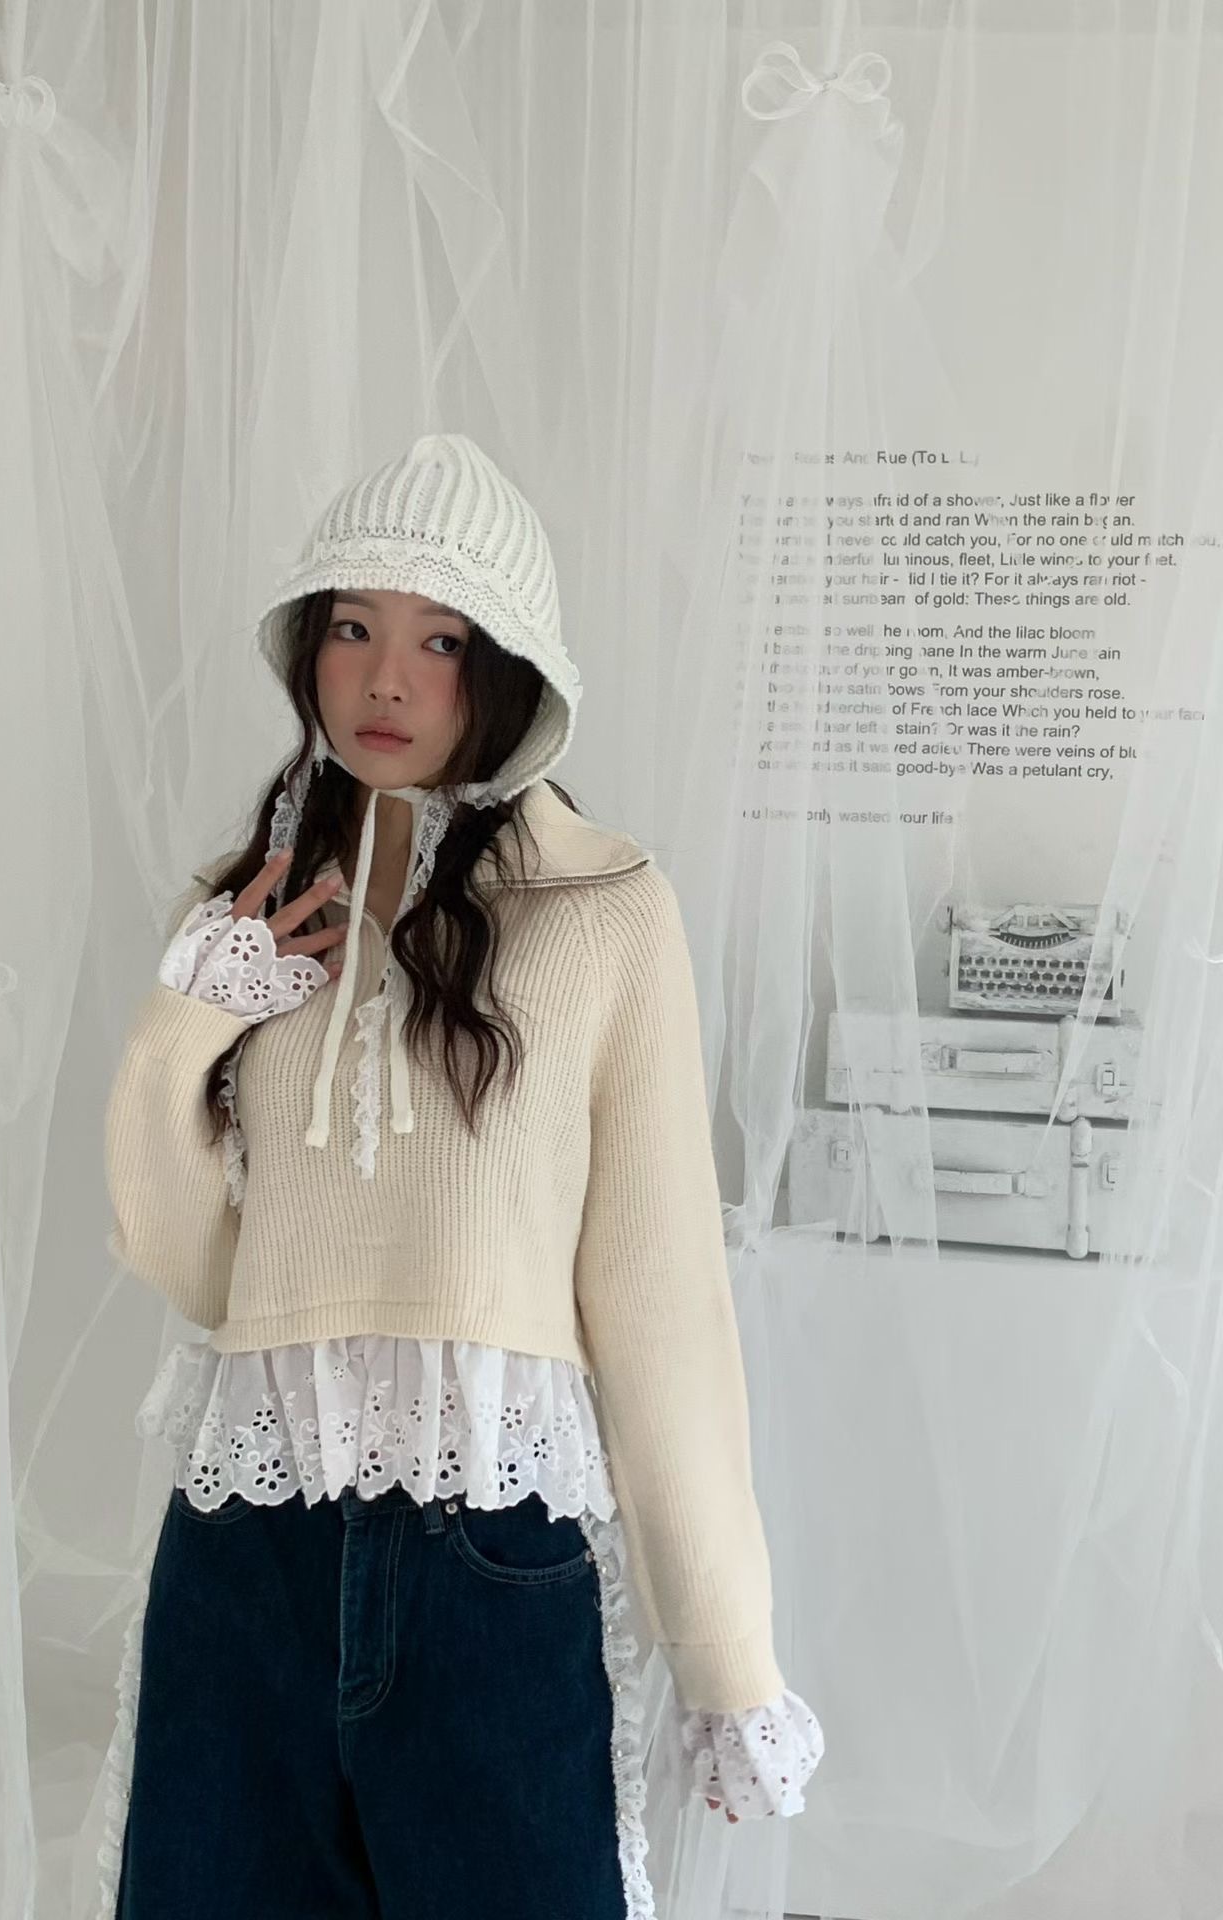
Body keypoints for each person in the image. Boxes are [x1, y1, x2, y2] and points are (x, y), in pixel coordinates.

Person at [98, 433, 823, 1919]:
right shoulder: (251, 912)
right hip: (248, 1547)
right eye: (350, 627)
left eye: (439, 641)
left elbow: (662, 1306)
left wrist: (727, 1655)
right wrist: (189, 1022)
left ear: (505, 671)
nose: (385, 681)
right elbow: (201, 1274)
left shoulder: (606, 911)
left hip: (489, 1551)